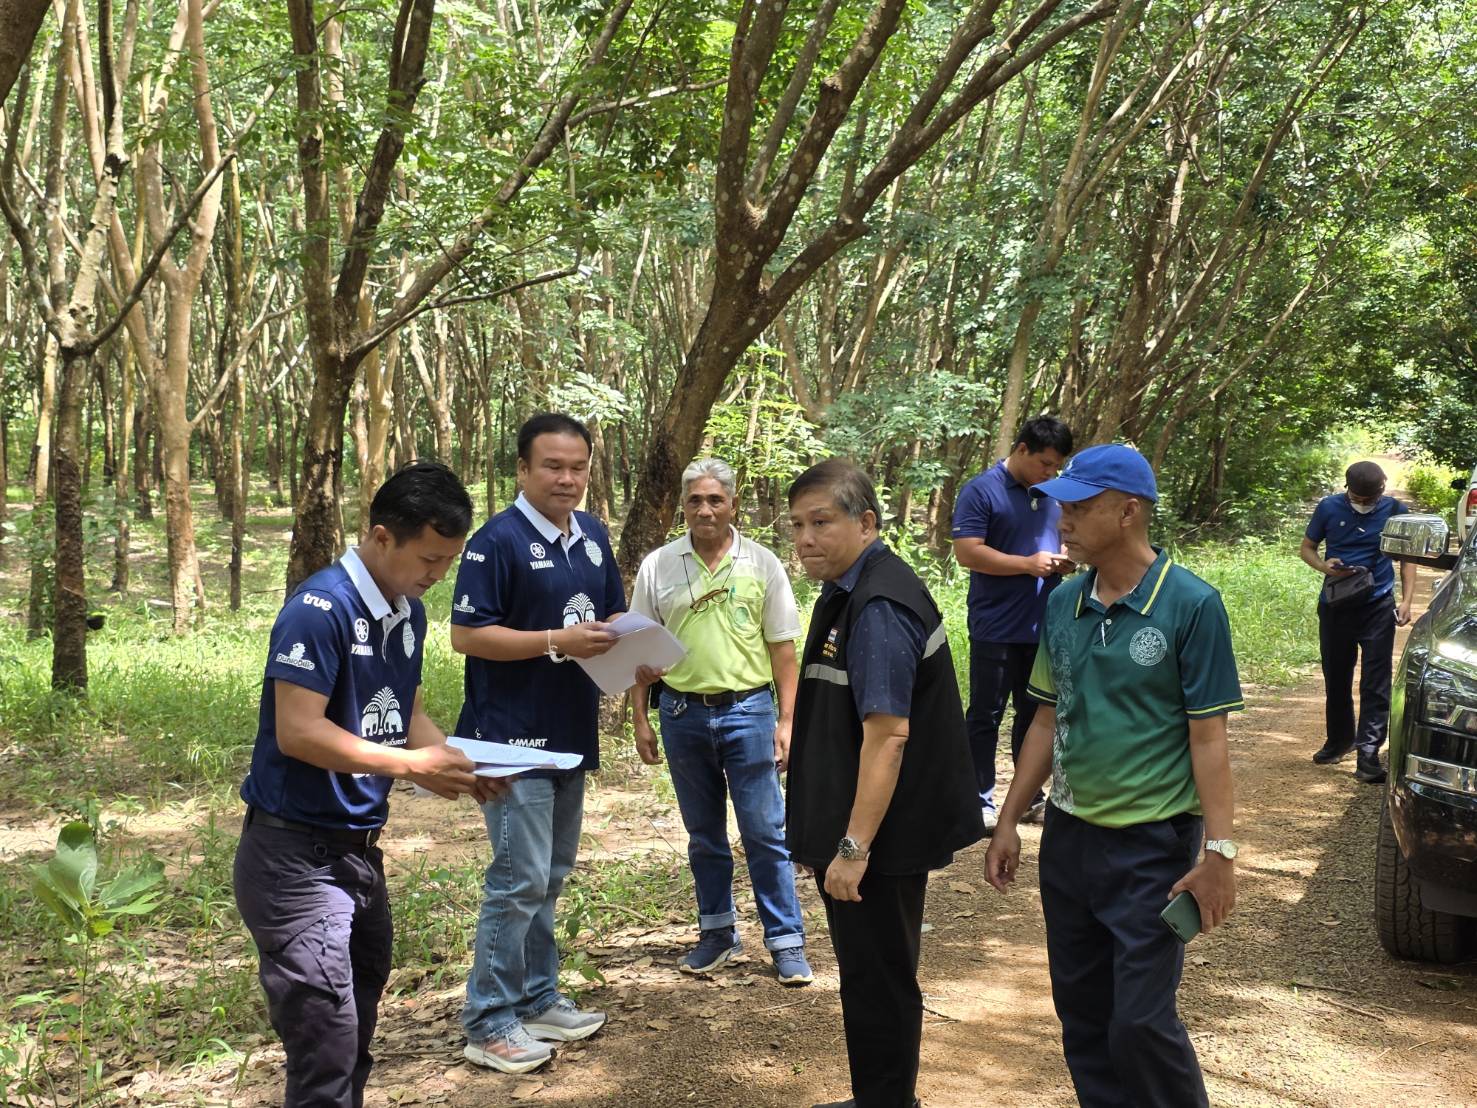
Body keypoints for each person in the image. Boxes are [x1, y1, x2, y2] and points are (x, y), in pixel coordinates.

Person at [985, 444, 1243, 1108]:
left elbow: (1207, 741)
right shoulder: (1064, 602)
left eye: (1078, 507)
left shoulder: (1190, 606)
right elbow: (1044, 720)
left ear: (1127, 512)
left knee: (1140, 1023)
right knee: (1083, 1017)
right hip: (1069, 842)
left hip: (1151, 849)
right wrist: (1010, 819)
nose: (1061, 520)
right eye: (1059, 506)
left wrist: (1218, 853)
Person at [234, 461, 493, 1108]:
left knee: (356, 1022)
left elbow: (401, 712)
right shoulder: (318, 610)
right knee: (324, 1037)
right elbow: (298, 732)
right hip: (293, 860)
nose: (437, 574)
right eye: (428, 558)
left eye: (447, 561)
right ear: (382, 538)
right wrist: (412, 768)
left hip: (357, 854)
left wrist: (459, 764)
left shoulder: (408, 615)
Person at [786, 459, 984, 1108]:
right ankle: (881, 1096)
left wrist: (852, 848)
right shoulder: (849, 589)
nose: (805, 538)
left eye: (822, 522)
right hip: (866, 827)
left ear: (866, 522)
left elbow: (889, 735)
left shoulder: (877, 605)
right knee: (870, 976)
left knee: (879, 979)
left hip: (879, 837)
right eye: (796, 526)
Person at [451, 412, 626, 1075]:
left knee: (547, 878)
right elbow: (468, 635)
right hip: (506, 739)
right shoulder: (493, 542)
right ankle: (488, 1021)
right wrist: (555, 642)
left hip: (570, 730)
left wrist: (633, 649)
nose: (567, 478)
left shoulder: (591, 537)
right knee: (516, 879)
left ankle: (536, 996)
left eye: (578, 467)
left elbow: (605, 621)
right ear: (522, 470)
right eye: (552, 466)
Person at [629, 458, 813, 985]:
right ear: (683, 507)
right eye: (695, 501)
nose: (705, 509)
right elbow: (639, 647)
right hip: (682, 711)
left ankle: (785, 940)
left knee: (764, 831)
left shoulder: (762, 565)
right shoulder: (659, 566)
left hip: (749, 711)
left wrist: (787, 720)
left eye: (715, 500)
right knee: (703, 834)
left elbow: (783, 650)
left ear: (733, 504)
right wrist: (642, 717)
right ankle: (717, 933)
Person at [952, 416, 1075, 832]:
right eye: (1044, 463)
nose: (1050, 472)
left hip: (1044, 625)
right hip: (996, 625)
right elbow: (967, 552)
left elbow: (1064, 535)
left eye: (1056, 466)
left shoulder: (1052, 494)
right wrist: (1027, 565)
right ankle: (977, 799)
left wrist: (1063, 555)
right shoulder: (982, 490)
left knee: (1035, 713)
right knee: (986, 714)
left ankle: (1029, 797)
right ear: (1021, 449)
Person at [1298, 460, 1415, 784]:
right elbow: (1307, 548)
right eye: (1359, 498)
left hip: (1377, 604)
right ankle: (1339, 741)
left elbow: (1407, 558)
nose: (1365, 503)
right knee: (1336, 676)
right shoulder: (1329, 507)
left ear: (1382, 488)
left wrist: (1405, 600)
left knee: (1376, 681)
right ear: (1348, 489)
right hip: (1336, 604)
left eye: (1371, 498)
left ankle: (1368, 753)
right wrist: (1325, 567)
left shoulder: (1395, 510)